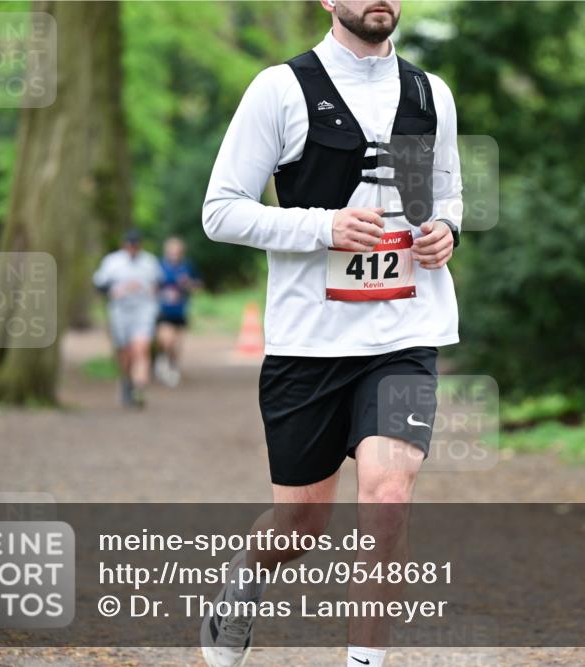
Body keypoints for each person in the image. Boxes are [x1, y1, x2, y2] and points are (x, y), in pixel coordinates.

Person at [201, 1, 461, 665]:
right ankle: (241, 583)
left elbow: (447, 194)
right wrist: (324, 227)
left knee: (388, 495)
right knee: (301, 524)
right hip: (309, 343)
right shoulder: (281, 88)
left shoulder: (429, 94)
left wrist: (445, 230)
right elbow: (220, 212)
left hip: (404, 331)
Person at [92, 229, 163, 408]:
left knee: (141, 348)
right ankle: (127, 381)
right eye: (129, 245)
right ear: (124, 245)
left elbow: (159, 284)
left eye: (136, 245)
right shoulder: (112, 262)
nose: (133, 248)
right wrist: (115, 291)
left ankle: (139, 388)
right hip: (120, 311)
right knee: (125, 353)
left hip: (144, 309)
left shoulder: (149, 262)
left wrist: (149, 291)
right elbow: (99, 285)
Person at [154, 236, 201, 387]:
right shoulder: (159, 266)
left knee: (177, 344)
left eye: (178, 251)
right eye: (172, 251)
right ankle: (162, 359)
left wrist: (188, 284)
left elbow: (198, 285)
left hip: (180, 311)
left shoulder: (187, 266)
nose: (175, 254)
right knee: (166, 340)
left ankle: (172, 366)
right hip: (163, 311)